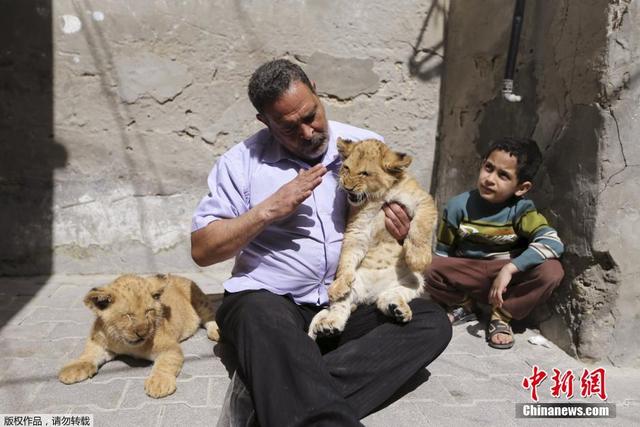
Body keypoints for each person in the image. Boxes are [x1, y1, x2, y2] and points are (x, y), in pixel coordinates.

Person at [191, 59, 451, 426]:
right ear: (265, 122)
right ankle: (309, 407)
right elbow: (202, 250)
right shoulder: (240, 163)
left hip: (344, 299)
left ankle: (267, 394)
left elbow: (406, 200)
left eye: (311, 114)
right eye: (289, 126)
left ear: (316, 90)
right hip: (270, 300)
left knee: (431, 323)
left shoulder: (361, 146)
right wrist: (266, 211)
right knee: (259, 317)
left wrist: (403, 225)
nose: (309, 131)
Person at [424, 137, 564, 350]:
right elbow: (443, 254)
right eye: (488, 168)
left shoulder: (522, 210)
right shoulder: (457, 207)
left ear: (522, 187)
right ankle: (464, 306)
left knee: (552, 271)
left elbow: (553, 242)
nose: (489, 179)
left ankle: (502, 315)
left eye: (503, 175)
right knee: (423, 263)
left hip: (506, 278)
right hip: (468, 273)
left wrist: (510, 268)